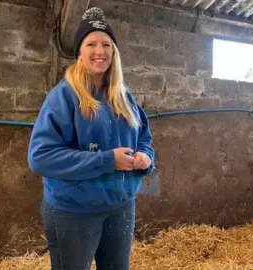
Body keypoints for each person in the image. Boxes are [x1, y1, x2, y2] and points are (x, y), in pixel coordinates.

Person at [27, 7, 155, 270]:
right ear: (79, 52)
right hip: (74, 210)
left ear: (115, 52)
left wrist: (145, 158)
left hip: (121, 206)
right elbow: (40, 157)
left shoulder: (124, 96)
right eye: (92, 43)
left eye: (107, 44)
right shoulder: (64, 96)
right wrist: (107, 161)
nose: (100, 51)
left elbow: (144, 138)